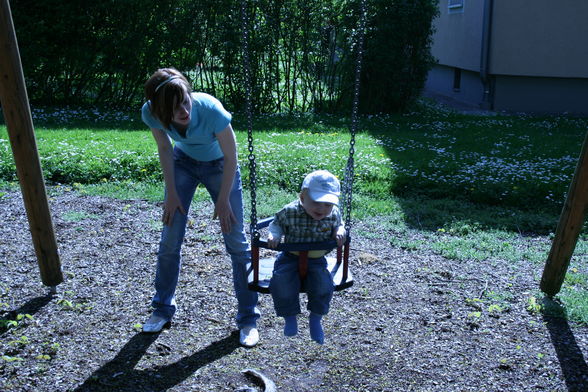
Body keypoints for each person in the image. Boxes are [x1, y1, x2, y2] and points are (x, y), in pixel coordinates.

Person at [140, 67, 260, 347]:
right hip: (182, 163)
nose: (184, 111)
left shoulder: (211, 110)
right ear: (159, 109)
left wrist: (222, 199)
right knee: (170, 237)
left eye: (185, 101)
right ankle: (162, 309)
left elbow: (231, 157)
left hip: (220, 166)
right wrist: (171, 194)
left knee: (236, 241)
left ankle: (248, 319)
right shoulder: (150, 113)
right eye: (174, 107)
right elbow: (165, 149)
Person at [267, 170, 346, 344]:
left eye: (328, 204)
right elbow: (276, 224)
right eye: (317, 202)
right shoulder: (289, 211)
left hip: (317, 260)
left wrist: (339, 231)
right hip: (290, 257)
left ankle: (316, 319)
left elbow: (340, 225)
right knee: (280, 283)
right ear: (302, 197)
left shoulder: (333, 214)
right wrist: (275, 235)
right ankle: (289, 316)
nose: (322, 209)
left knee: (324, 286)